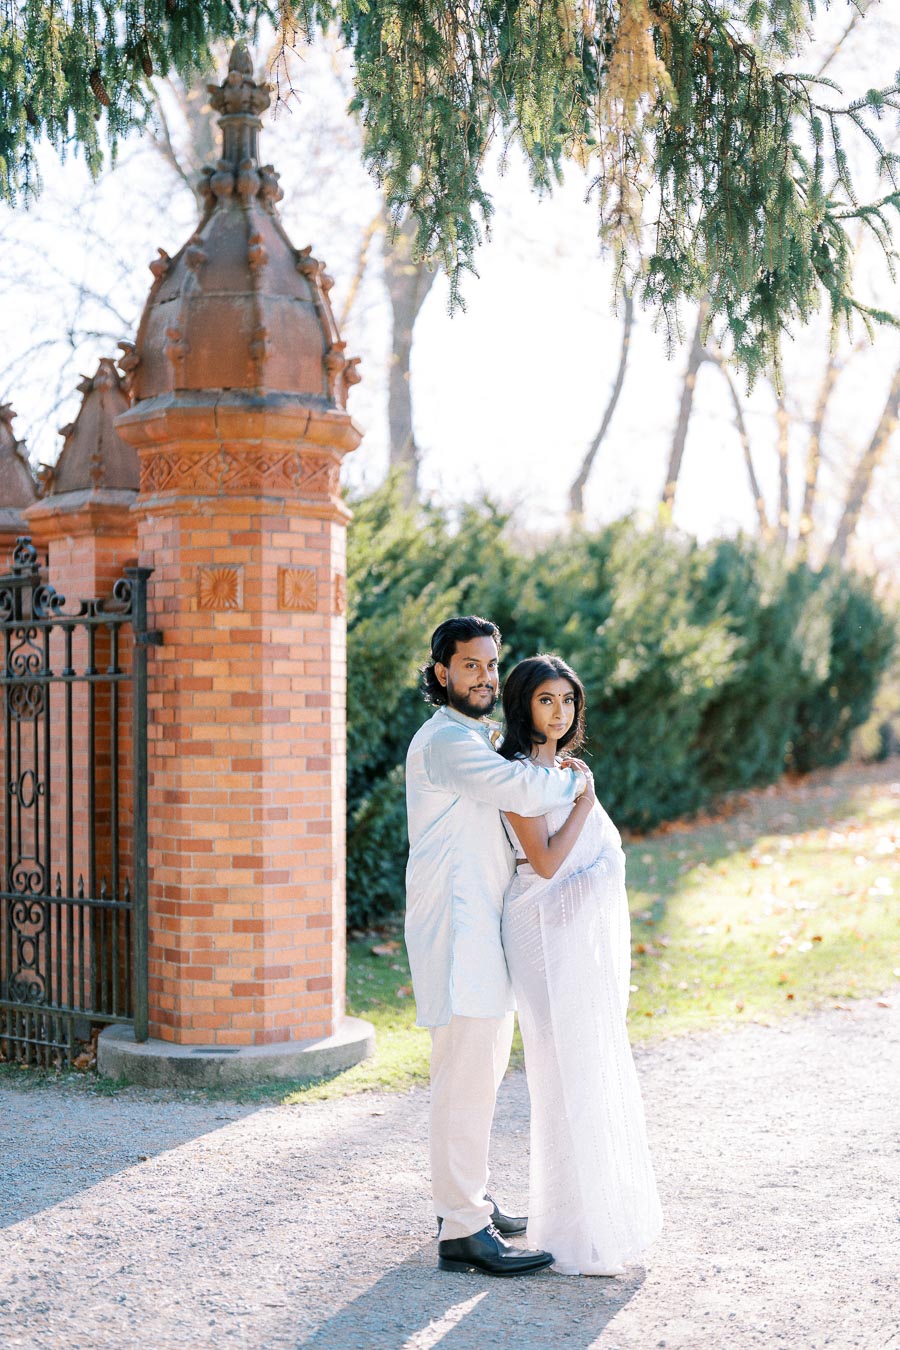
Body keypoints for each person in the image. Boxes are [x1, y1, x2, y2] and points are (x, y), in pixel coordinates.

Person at [405, 616, 590, 1276]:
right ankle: (462, 1230)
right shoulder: (448, 744)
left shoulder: (469, 739)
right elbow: (520, 788)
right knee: (464, 1080)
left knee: (479, 1075)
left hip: (479, 931)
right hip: (458, 937)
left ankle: (470, 1204)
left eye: (491, 664)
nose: (485, 675)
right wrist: (578, 782)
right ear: (441, 674)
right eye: (470, 664)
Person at [499, 654, 663, 1277]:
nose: (560, 713)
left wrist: (582, 793)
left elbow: (599, 850)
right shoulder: (516, 774)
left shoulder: (569, 770)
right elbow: (543, 862)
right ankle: (565, 1228)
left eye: (568, 701)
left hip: (576, 925)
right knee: (557, 1070)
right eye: (547, 701)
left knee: (590, 1062)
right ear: (524, 705)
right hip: (537, 925)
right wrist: (583, 801)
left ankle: (596, 1222)